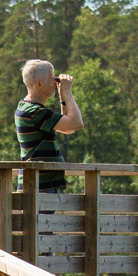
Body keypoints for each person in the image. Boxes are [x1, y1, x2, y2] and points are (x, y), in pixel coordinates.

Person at [15, 59, 85, 194]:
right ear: (39, 84)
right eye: (52, 79)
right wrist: (68, 93)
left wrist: (63, 97)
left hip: (41, 184)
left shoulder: (31, 109)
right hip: (37, 186)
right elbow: (77, 123)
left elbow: (67, 128)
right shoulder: (33, 111)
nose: (55, 82)